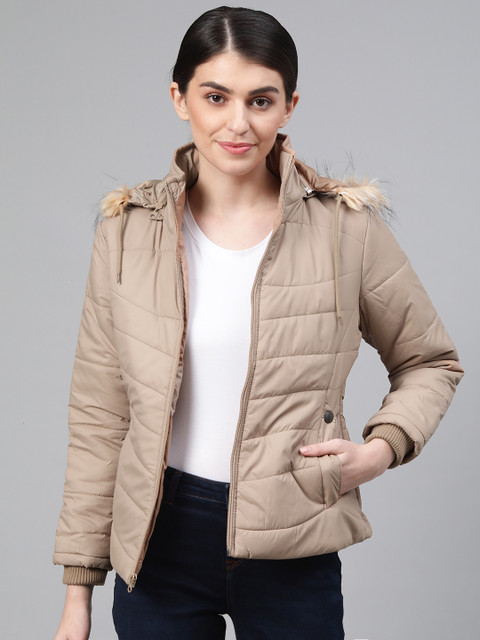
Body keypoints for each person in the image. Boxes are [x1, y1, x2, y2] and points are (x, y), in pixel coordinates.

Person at [52, 6, 463, 640]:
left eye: (261, 100)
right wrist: (78, 593)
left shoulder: (346, 230)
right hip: (158, 540)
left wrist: (379, 450)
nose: (238, 123)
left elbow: (430, 362)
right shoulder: (127, 234)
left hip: (295, 535)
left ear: (289, 107)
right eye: (215, 97)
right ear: (180, 98)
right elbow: (100, 416)